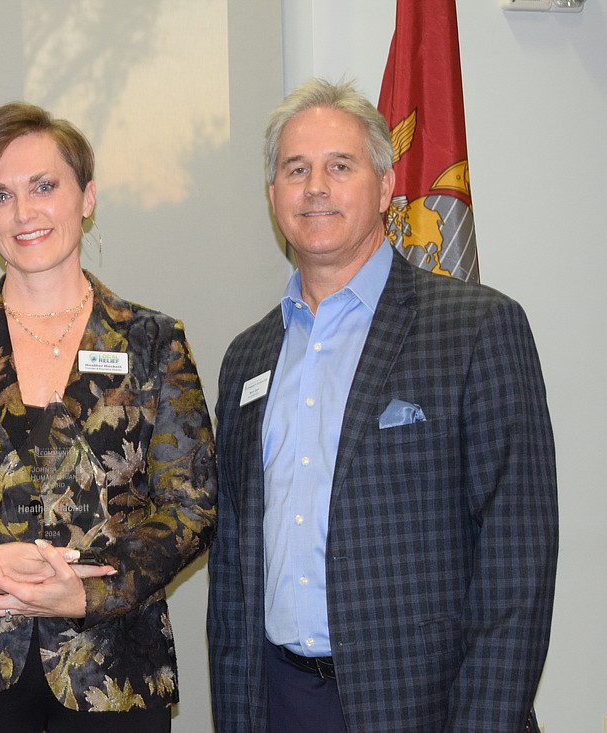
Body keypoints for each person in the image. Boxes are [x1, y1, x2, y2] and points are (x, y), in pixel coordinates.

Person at [206, 78, 558, 732]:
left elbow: (517, 563)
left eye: (340, 166)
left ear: (386, 184)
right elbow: (233, 568)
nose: (316, 186)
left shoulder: (476, 329)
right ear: (273, 195)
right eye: (296, 169)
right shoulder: (247, 358)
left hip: (427, 704)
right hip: (278, 700)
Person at [0, 101, 217, 733]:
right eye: (0, 194)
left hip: (113, 668)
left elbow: (190, 507)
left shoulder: (152, 341)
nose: (24, 212)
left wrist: (89, 594)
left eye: (44, 187)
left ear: (87, 197)